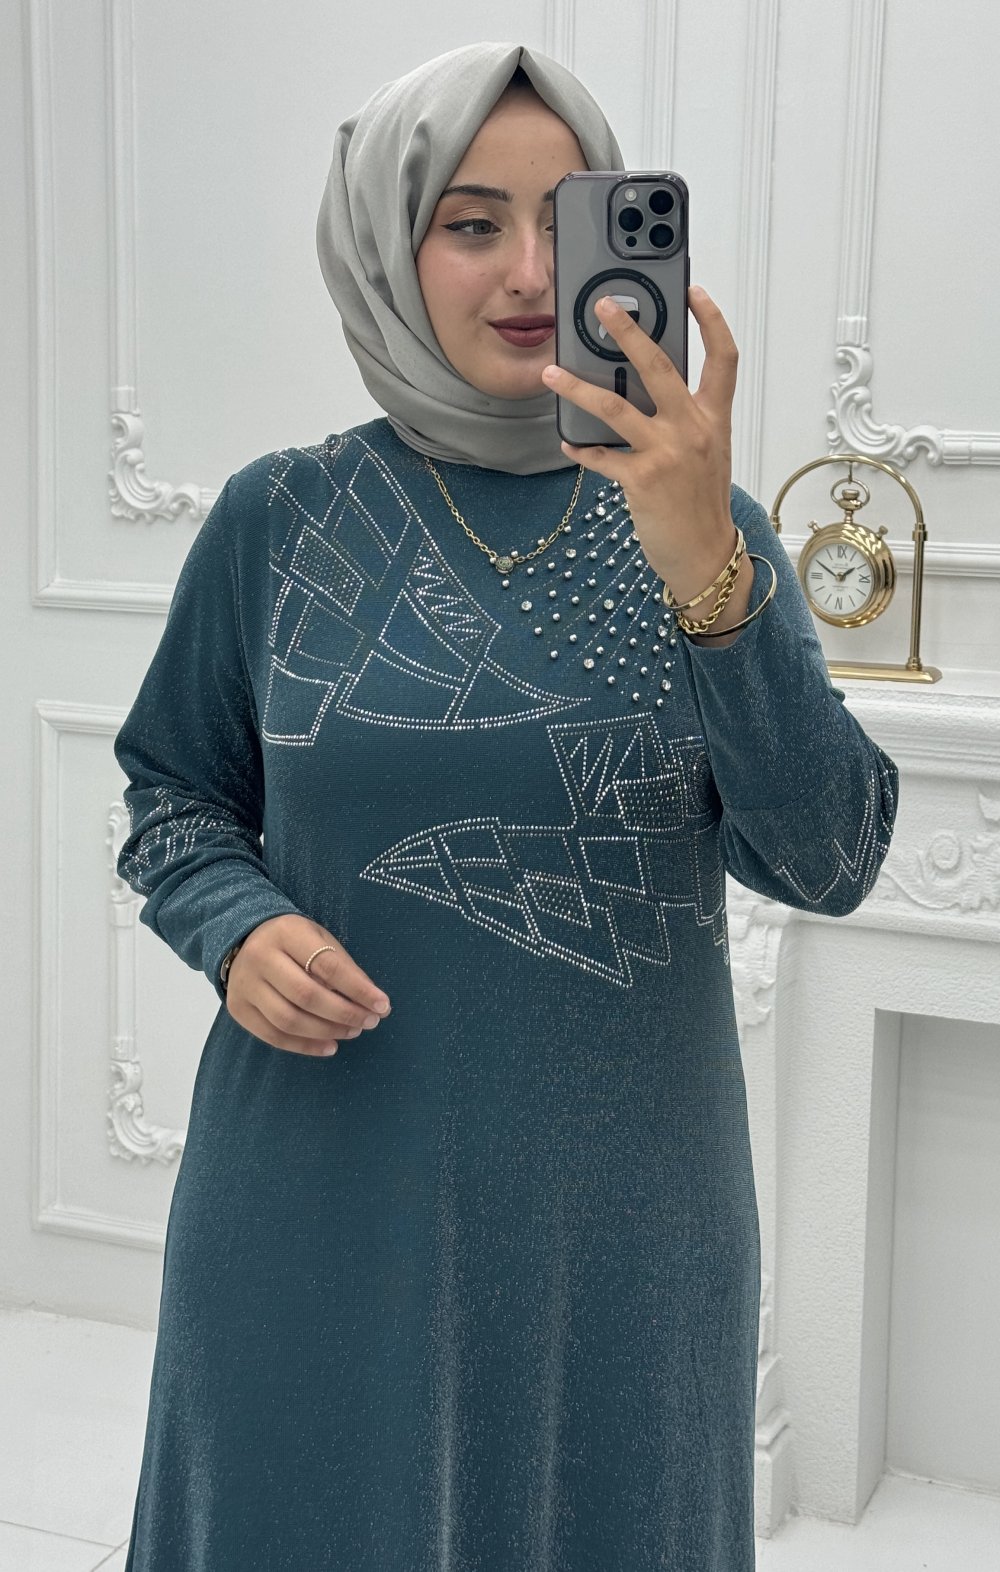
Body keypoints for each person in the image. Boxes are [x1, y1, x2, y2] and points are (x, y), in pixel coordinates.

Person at [113, 41, 899, 1572]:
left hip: (624, 1228)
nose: (533, 273)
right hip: (321, 1196)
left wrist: (708, 571)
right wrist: (233, 926)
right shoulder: (280, 516)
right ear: (387, 247)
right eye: (472, 224)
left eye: (567, 220)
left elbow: (830, 856)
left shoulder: (709, 526)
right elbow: (173, 796)